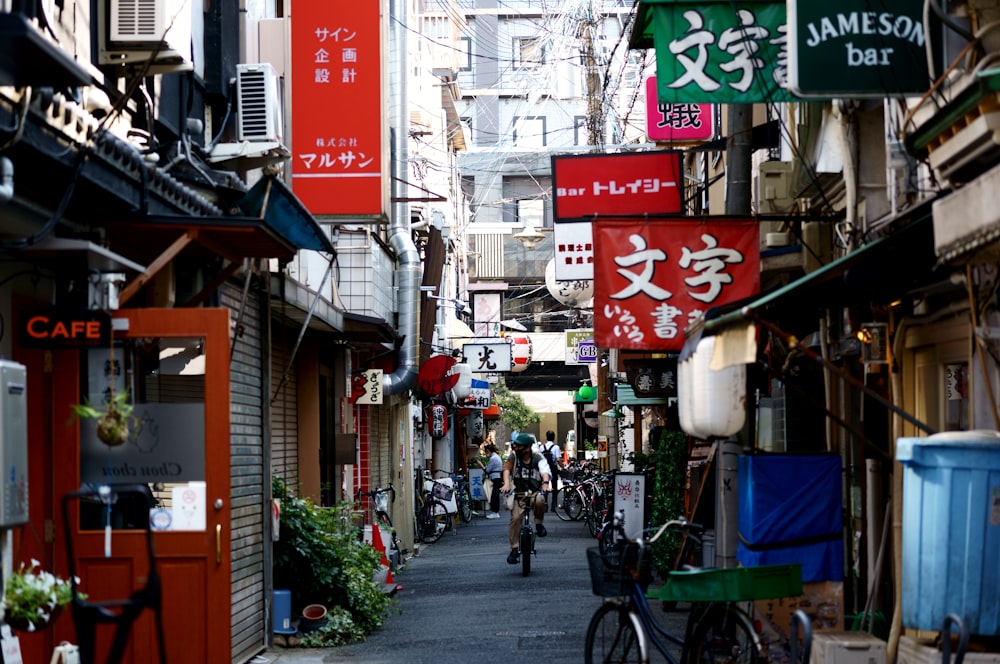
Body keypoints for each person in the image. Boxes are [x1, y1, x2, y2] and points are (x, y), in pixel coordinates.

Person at [500, 432, 551, 564]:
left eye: (519, 446)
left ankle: (539, 525)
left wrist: (545, 484)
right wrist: (506, 483)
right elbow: (506, 469)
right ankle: (514, 549)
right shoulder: (514, 456)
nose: (516, 448)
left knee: (540, 500)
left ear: (527, 448)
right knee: (515, 519)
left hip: (534, 492)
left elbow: (544, 471)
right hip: (519, 494)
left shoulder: (537, 457)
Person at [536, 430, 562, 512]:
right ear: (554, 437)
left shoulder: (541, 447)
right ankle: (553, 506)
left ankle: (545, 504)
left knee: (544, 486)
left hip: (544, 469)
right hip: (553, 468)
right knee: (554, 487)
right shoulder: (556, 447)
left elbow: (539, 458)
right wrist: (562, 466)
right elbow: (558, 459)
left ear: (546, 437)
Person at [480, 443, 503, 518]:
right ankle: (495, 512)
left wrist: (482, 466)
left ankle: (495, 512)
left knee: (494, 495)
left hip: (495, 477)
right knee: (495, 495)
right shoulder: (496, 457)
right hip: (497, 477)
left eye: (486, 452)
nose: (486, 454)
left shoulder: (493, 459)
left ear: (489, 451)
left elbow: (487, 470)